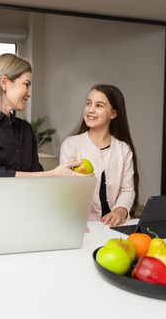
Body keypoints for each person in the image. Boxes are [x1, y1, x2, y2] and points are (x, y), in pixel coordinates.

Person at [0, 53, 85, 194]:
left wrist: (67, 177)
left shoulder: (25, 129)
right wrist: (54, 174)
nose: (29, 93)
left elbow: (35, 174)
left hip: (13, 208)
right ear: (4, 82)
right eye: (26, 84)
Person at [60, 84, 139, 227]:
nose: (91, 110)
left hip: (114, 227)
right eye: (88, 103)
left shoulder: (123, 149)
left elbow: (127, 190)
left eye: (99, 105)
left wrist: (119, 212)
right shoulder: (71, 145)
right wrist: (74, 220)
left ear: (113, 113)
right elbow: (67, 190)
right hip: (81, 226)